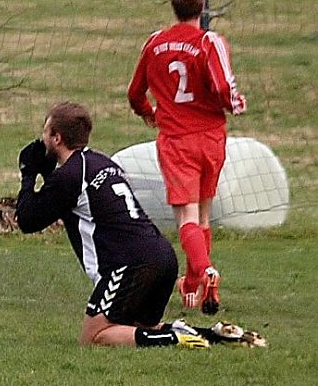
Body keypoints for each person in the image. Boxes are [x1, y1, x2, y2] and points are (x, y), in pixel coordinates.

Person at [16, 102, 210, 348]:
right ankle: (210, 334)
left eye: (45, 132)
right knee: (136, 329)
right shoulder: (102, 162)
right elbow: (67, 203)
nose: (42, 140)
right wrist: (49, 174)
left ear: (57, 138)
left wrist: (28, 174)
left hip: (130, 265)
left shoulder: (71, 175)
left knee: (93, 338)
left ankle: (173, 338)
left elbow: (27, 221)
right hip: (162, 257)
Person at [128, 0, 246, 314]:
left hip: (177, 141)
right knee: (204, 214)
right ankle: (192, 284)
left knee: (187, 217)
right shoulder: (209, 42)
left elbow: (135, 93)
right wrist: (236, 103)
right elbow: (222, 87)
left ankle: (205, 271)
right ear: (202, 7)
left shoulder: (155, 43)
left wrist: (149, 113)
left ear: (173, 7)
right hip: (211, 138)